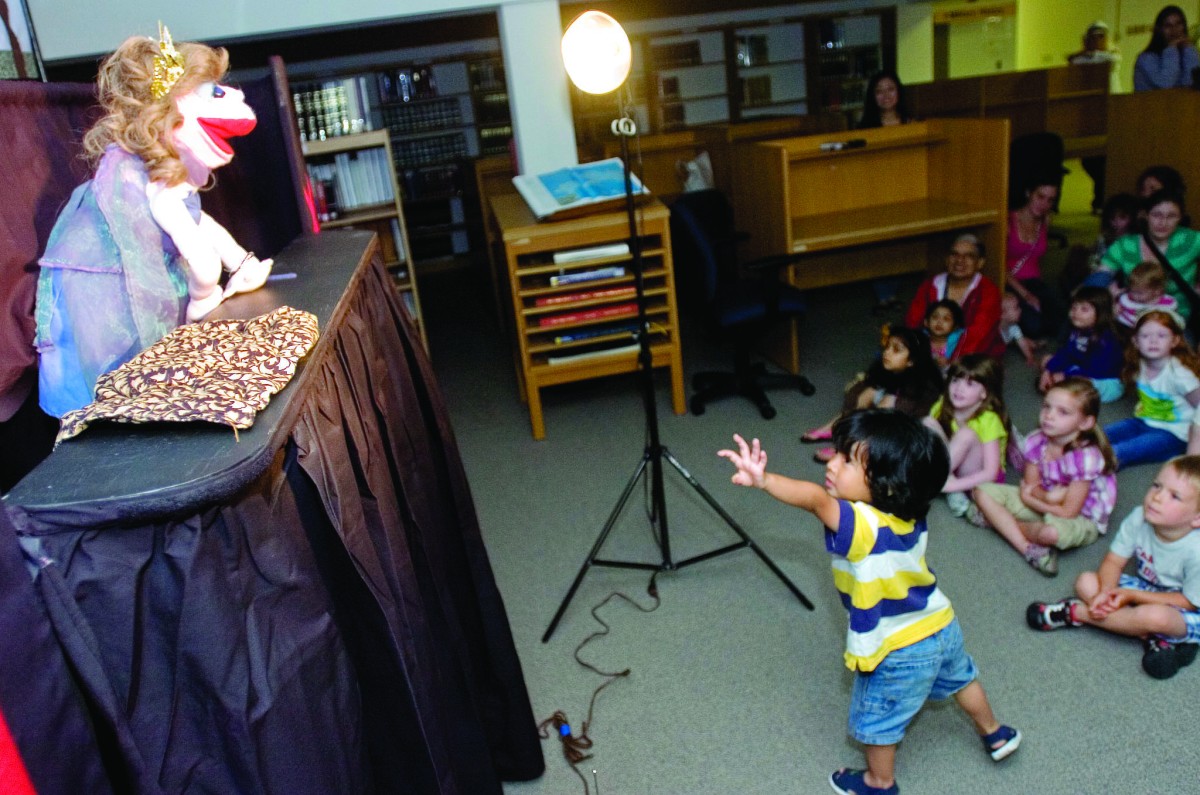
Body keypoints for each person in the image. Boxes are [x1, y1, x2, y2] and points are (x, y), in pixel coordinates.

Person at [718, 412, 1021, 795]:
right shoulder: (910, 514)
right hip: (941, 623)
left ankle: (879, 783)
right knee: (963, 679)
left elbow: (814, 500)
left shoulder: (861, 526)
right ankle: (995, 734)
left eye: (846, 460)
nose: (831, 463)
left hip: (898, 648)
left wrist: (765, 481)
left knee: (877, 721)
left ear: (887, 486)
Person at [34, 26, 272, 418]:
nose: (231, 96)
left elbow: (199, 221)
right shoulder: (139, 180)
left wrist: (240, 261)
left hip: (135, 273)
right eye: (210, 90)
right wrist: (203, 297)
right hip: (103, 298)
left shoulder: (155, 174)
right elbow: (199, 256)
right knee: (122, 381)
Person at [1026, 455, 1200, 680]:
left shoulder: (1196, 551)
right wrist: (1107, 593)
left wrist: (1129, 595)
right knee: (1086, 582)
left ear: (1197, 518)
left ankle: (1077, 613)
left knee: (1157, 618)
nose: (1157, 497)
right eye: (1157, 485)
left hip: (1186, 604)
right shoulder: (1139, 517)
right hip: (1147, 587)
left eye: (1174, 496)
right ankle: (1150, 637)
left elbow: (1188, 601)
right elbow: (1113, 562)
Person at [972, 378, 1117, 577]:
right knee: (981, 491)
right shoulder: (1035, 440)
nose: (1049, 416)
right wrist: (1042, 497)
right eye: (1046, 407)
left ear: (1085, 422)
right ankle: (1026, 548)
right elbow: (1032, 484)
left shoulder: (1086, 457)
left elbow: (1068, 512)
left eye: (1062, 412)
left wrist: (1035, 498)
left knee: (1050, 533)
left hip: (1081, 518)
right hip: (1045, 500)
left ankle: (999, 522)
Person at [802, 327, 942, 463]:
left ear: (912, 361)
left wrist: (881, 407)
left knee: (885, 405)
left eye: (896, 350)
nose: (887, 353)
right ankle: (834, 427)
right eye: (887, 347)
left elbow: (899, 419)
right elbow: (861, 392)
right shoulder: (894, 370)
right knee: (869, 391)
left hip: (906, 432)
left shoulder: (921, 386)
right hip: (891, 411)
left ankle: (850, 447)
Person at [1106, 310, 1200, 469]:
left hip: (1173, 434)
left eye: (1161, 336)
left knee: (1121, 451)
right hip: (1143, 421)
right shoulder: (1138, 364)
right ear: (1135, 341)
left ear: (1175, 341)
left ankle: (1081, 468)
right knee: (1100, 436)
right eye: (1145, 336)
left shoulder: (1180, 375)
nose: (1153, 341)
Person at [925, 354, 1010, 516]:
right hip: (953, 463)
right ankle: (943, 479)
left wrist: (950, 486)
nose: (959, 389)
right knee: (928, 423)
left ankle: (936, 483)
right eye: (955, 381)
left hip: (980, 478)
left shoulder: (989, 419)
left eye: (970, 384)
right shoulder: (943, 403)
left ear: (985, 393)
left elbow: (990, 473)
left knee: (966, 434)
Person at [1096, 190, 1200, 322]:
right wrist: (1105, 296)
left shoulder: (1191, 240)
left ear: (1180, 218)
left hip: (1177, 318)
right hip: (1131, 316)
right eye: (1157, 215)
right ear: (1145, 215)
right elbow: (1101, 275)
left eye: (1172, 216)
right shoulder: (1125, 245)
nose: (1163, 222)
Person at [858, 70, 912, 315]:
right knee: (880, 244)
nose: (886, 96)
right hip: (877, 191)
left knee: (903, 242)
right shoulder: (864, 128)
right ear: (873, 97)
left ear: (899, 92)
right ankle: (883, 295)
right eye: (879, 91)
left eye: (891, 89)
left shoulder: (912, 123)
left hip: (907, 188)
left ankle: (893, 291)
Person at [905, 234, 1004, 360]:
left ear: (980, 263)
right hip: (932, 351)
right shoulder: (930, 286)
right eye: (954, 254)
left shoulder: (988, 292)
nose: (959, 260)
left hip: (973, 357)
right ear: (947, 259)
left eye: (968, 256)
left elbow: (980, 336)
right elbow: (913, 322)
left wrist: (952, 363)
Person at [1038, 286, 1124, 403]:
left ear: (1101, 313)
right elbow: (1067, 353)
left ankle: (1063, 388)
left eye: (1084, 309)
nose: (1075, 313)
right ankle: (1060, 386)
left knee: (1077, 380)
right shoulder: (1078, 331)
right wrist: (1048, 369)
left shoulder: (1105, 340)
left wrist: (1066, 375)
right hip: (1082, 367)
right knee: (1047, 360)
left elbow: (1096, 371)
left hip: (1105, 381)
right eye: (1074, 308)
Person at [1068, 21, 1121, 210]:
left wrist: (1091, 53)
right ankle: (1100, 197)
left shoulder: (1112, 56)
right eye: (1093, 37)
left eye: (1101, 36)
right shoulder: (1082, 59)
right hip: (1089, 114)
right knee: (1090, 160)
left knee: (1106, 159)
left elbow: (1107, 60)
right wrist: (1085, 53)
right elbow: (1074, 62)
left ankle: (1101, 199)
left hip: (1110, 111)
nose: (1097, 41)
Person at [1005, 177, 1063, 343]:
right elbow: (998, 265)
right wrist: (1025, 294)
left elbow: (1037, 258)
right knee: (1034, 327)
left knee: (1061, 321)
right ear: (1029, 193)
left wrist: (1040, 292)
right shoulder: (1009, 221)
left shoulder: (1045, 220)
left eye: (1050, 200)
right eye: (1040, 196)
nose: (1044, 204)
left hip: (1034, 281)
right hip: (1010, 282)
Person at [1134, 6, 1200, 91]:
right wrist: (1171, 49)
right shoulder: (1146, 58)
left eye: (1178, 24)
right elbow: (1166, 84)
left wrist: (1189, 49)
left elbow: (1191, 84)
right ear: (1160, 30)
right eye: (1168, 26)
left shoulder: (1184, 54)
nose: (1174, 30)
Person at [1115, 261, 1178, 332]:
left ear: (1157, 290)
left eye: (1139, 293)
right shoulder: (1127, 300)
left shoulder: (1168, 304)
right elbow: (1117, 315)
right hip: (1126, 330)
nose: (1134, 295)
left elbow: (1173, 323)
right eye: (1132, 291)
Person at [923, 298, 964, 369]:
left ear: (955, 327)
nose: (939, 322)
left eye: (946, 319)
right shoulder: (919, 339)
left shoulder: (960, 342)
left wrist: (950, 362)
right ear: (926, 322)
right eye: (935, 317)